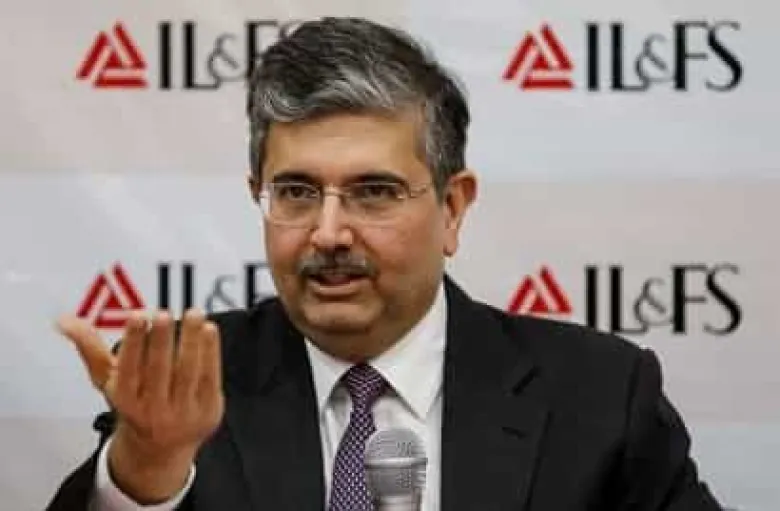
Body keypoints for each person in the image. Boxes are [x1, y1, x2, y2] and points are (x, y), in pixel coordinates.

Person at [46, 16, 724, 511]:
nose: (329, 232)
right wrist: (146, 468)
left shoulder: (598, 395)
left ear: (452, 208)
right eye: (296, 192)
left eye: (373, 192)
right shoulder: (185, 385)